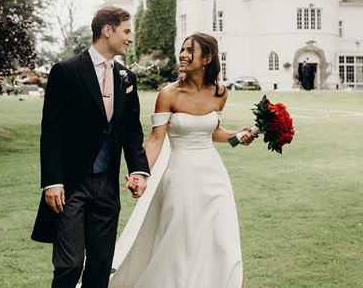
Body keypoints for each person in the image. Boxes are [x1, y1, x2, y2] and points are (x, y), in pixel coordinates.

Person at [109, 32, 256, 288]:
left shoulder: (220, 93)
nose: (183, 54)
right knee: (181, 241)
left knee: (222, 238)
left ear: (207, 57)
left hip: (214, 177)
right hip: (180, 176)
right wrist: (139, 172)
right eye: (183, 49)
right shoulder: (168, 94)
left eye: (190, 50)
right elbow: (156, 140)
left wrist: (237, 135)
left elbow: (212, 132)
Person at [31, 6, 151, 288]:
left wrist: (139, 171)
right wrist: (52, 182)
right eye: (126, 31)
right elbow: (51, 131)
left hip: (108, 187)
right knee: (70, 264)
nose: (130, 38)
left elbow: (132, 131)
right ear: (107, 31)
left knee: (99, 266)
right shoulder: (66, 71)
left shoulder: (127, 78)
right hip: (71, 185)